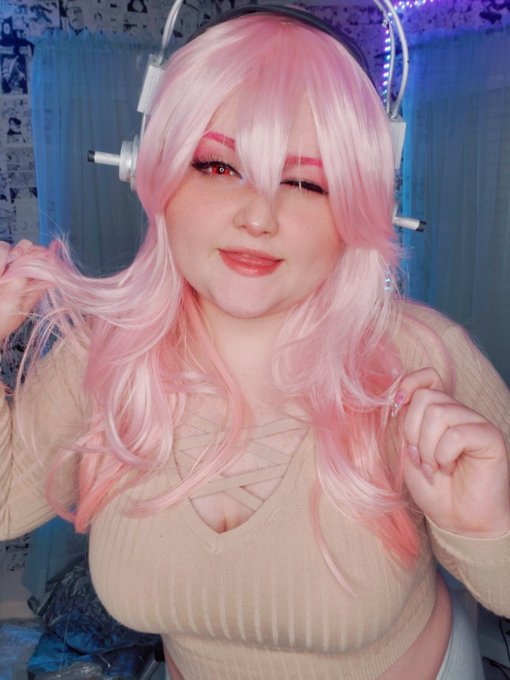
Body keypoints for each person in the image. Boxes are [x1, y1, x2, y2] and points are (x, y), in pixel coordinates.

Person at [1, 9, 509, 680]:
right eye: (218, 167)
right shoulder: (103, 357)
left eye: (304, 182)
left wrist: (490, 527)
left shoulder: (424, 360)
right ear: (151, 169)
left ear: (360, 207)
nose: (259, 216)